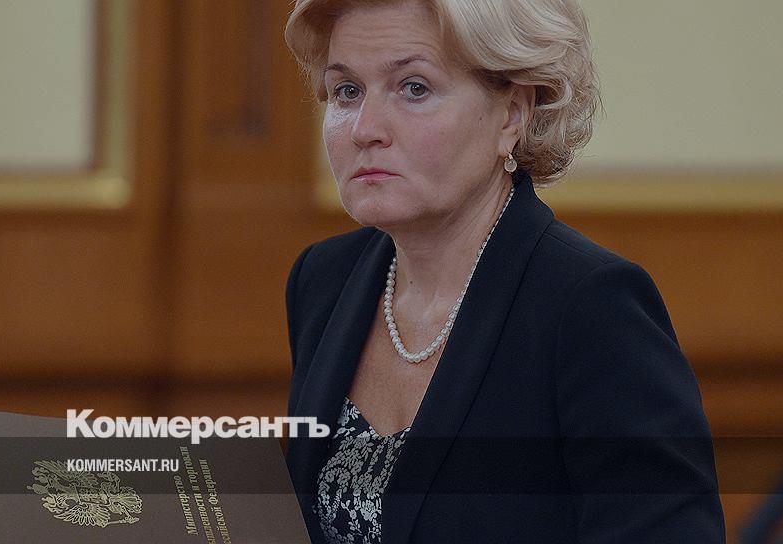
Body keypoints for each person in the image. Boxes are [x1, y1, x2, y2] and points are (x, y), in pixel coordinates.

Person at [282, 0, 726, 542]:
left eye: (414, 88)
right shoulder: (323, 281)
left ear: (512, 114)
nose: (365, 128)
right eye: (347, 91)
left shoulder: (593, 307)